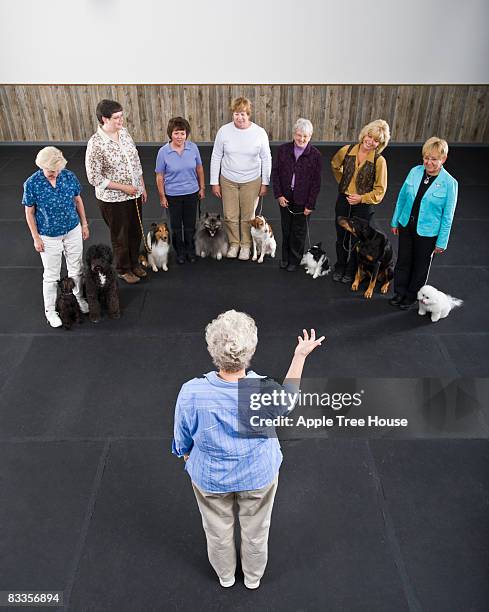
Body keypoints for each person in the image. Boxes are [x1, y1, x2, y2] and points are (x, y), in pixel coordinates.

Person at [172, 310, 324, 590]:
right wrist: (300, 356)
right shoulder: (261, 389)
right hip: (258, 475)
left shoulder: (192, 391)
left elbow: (182, 435)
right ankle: (253, 579)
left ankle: (226, 577)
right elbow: (288, 400)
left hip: (210, 478)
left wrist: (185, 454)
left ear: (212, 349)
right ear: (250, 350)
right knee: (257, 531)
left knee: (217, 531)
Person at [23, 147, 89, 328]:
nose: (55, 173)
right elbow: (29, 213)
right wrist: (36, 237)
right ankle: (50, 311)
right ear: (42, 166)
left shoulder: (68, 176)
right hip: (48, 236)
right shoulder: (32, 183)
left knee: (76, 268)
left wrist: (84, 224)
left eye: (57, 169)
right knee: (51, 275)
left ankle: (78, 298)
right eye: (51, 170)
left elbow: (78, 200)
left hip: (72, 229)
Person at [390, 137, 458, 310]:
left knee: (420, 266)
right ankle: (399, 292)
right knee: (403, 261)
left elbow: (447, 216)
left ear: (443, 159)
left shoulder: (450, 183)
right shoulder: (415, 171)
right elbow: (402, 198)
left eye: (434, 159)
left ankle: (412, 296)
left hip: (428, 233)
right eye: (426, 158)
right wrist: (395, 221)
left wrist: (442, 242)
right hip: (406, 225)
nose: (428, 162)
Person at [85, 99, 147, 284]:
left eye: (121, 116)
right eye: (117, 118)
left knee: (136, 231)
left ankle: (134, 262)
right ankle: (123, 268)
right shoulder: (96, 144)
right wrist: (124, 187)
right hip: (113, 199)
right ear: (104, 119)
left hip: (134, 193)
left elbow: (135, 161)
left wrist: (141, 185)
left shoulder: (124, 133)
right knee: (121, 235)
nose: (121, 121)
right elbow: (94, 178)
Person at [210, 97, 272, 260]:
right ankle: (234, 244)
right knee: (230, 215)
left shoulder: (259, 133)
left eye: (243, 114)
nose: (240, 117)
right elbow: (216, 156)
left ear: (248, 114)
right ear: (233, 114)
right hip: (228, 179)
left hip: (252, 180)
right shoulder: (224, 131)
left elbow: (266, 158)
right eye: (236, 114)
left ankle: (245, 245)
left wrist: (265, 182)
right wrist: (214, 182)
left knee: (248, 216)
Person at [331, 119, 390, 283]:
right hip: (343, 200)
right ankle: (340, 266)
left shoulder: (379, 161)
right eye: (369, 136)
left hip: (363, 207)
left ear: (380, 143)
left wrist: (362, 198)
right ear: (364, 134)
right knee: (341, 237)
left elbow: (380, 190)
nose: (370, 141)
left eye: (376, 140)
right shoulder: (346, 150)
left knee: (359, 242)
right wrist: (344, 183)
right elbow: (335, 165)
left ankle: (351, 270)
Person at [272, 118, 322, 271]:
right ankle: (285, 258)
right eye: (299, 135)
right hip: (285, 196)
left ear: (310, 137)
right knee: (286, 228)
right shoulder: (283, 150)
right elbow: (276, 173)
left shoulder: (315, 155)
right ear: (294, 134)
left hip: (303, 199)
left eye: (305, 136)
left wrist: (310, 204)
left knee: (298, 231)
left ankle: (294, 259)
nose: (301, 139)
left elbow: (316, 183)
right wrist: (279, 195)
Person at [155, 117, 205, 264]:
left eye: (182, 133)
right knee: (176, 226)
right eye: (176, 133)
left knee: (190, 225)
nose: (179, 137)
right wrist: (162, 196)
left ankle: (190, 249)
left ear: (186, 134)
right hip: (173, 195)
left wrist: (201, 187)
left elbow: (200, 169)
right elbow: (159, 176)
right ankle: (180, 252)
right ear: (170, 134)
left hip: (191, 193)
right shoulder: (163, 152)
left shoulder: (193, 148)